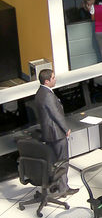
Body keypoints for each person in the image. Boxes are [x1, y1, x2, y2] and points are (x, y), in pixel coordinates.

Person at [35, 68, 73, 196]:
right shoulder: (47, 95)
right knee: (62, 161)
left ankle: (56, 185)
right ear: (46, 81)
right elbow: (56, 114)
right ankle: (63, 188)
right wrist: (66, 129)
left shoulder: (40, 93)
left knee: (55, 162)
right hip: (56, 134)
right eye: (53, 77)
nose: (55, 79)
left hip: (48, 134)